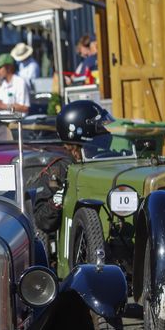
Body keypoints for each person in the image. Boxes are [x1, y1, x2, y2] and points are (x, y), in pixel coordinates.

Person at [33, 100, 113, 233]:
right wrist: (56, 202)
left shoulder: (112, 158)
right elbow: (42, 220)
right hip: (80, 241)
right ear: (81, 131)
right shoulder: (59, 169)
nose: (106, 132)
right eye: (99, 127)